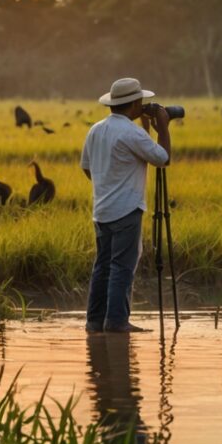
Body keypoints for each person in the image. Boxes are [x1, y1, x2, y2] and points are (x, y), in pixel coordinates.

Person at [81, 78, 171, 333]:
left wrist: (106, 184)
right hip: (126, 210)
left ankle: (95, 320)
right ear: (134, 104)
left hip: (102, 210)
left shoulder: (96, 129)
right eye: (140, 102)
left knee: (103, 266)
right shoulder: (131, 133)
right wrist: (163, 127)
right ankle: (117, 321)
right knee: (122, 266)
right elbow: (162, 158)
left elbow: (87, 167)